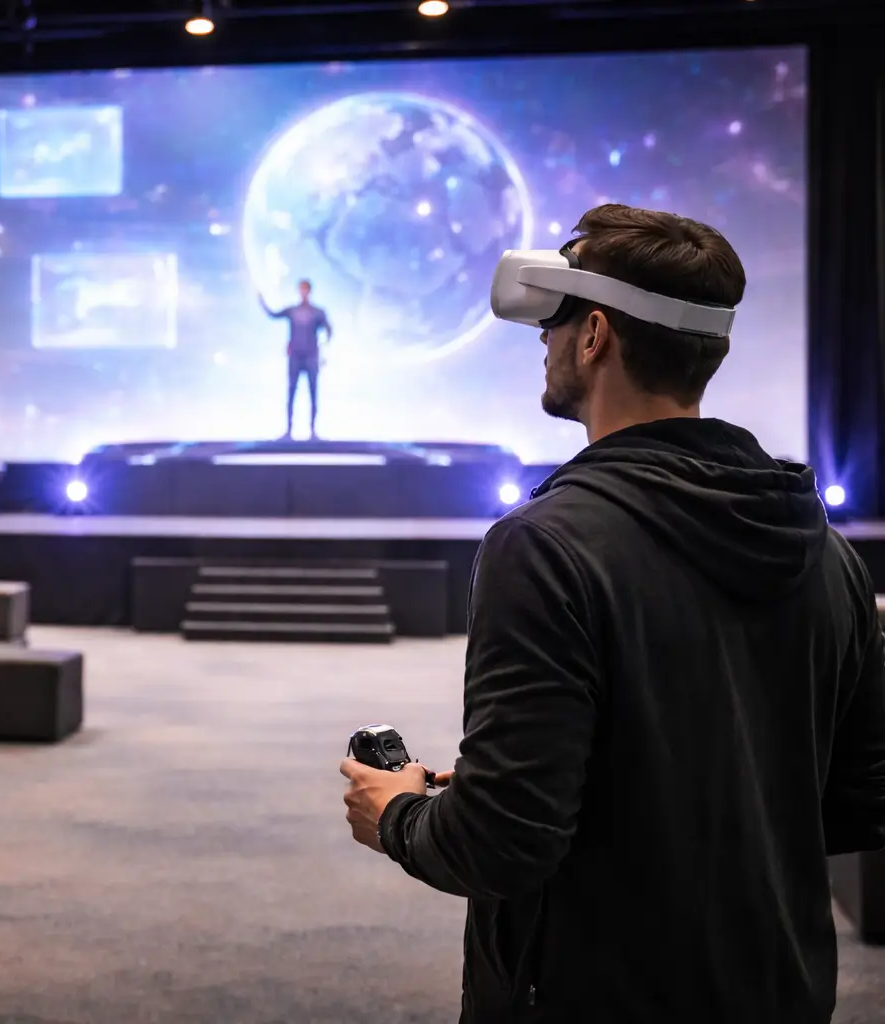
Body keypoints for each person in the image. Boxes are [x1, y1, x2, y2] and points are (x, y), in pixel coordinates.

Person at [340, 204, 885, 1022]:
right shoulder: (828, 551)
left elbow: (502, 844)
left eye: (554, 321)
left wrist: (399, 815)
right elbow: (860, 797)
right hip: (778, 988)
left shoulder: (544, 549)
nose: (543, 341)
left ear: (594, 335)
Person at [259, 278, 331, 439]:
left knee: (313, 393)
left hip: (311, 356)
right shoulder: (293, 311)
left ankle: (313, 431)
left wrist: (323, 350)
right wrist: (262, 301)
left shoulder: (317, 313)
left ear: (309, 291)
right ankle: (288, 431)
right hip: (296, 357)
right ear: (299, 291)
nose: (303, 292)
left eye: (306, 289)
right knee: (292, 392)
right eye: (301, 289)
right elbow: (273, 314)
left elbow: (328, 330)